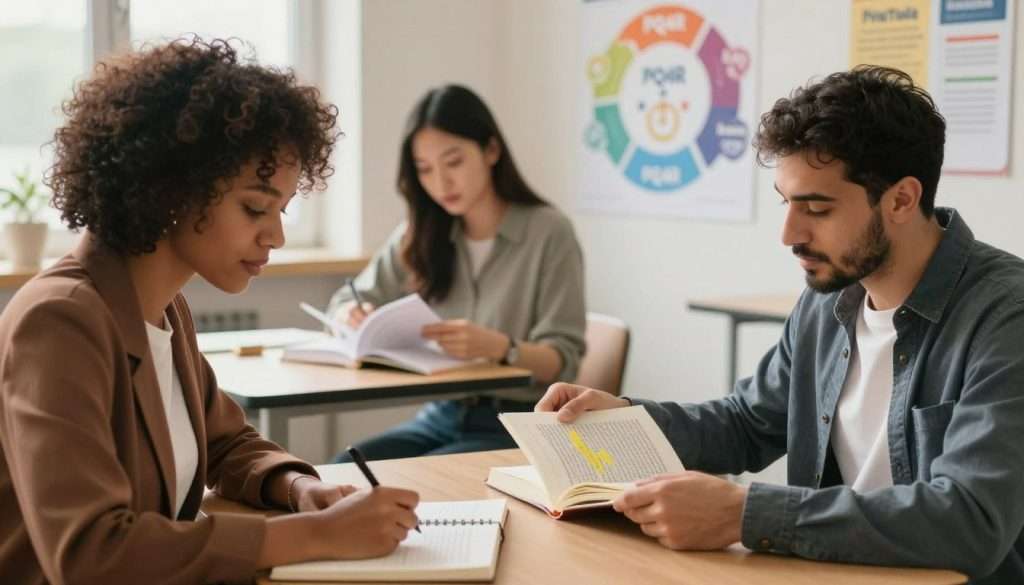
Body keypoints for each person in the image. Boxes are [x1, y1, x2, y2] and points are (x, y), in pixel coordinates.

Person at [537, 65, 1024, 584]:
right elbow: (749, 422)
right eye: (786, 202)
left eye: (816, 207)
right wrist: (626, 421)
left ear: (902, 199)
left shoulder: (1005, 317)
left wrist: (742, 514)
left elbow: (972, 520)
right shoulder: (830, 300)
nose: (789, 234)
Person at [0, 38, 420, 585]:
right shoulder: (59, 321)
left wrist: (300, 489)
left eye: (283, 210)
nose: (276, 235)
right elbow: (89, 554)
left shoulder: (162, 309)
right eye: (255, 208)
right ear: (171, 189)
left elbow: (227, 442)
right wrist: (315, 536)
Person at [330, 84, 586, 462]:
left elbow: (562, 359)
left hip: (520, 421)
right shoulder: (420, 234)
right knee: (345, 469)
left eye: (454, 163)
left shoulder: (549, 232)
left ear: (492, 150)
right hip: (441, 414)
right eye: (425, 170)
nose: (441, 183)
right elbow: (345, 300)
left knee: (420, 481)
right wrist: (349, 314)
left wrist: (501, 347)